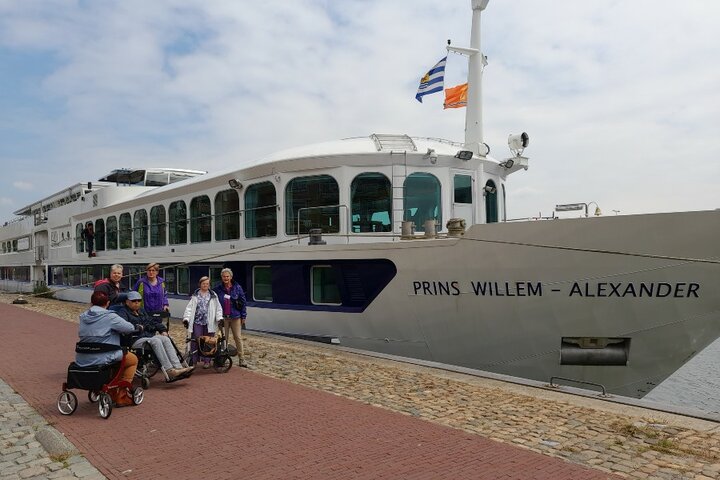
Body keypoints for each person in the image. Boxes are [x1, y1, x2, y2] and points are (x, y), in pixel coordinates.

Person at [75, 291, 138, 407]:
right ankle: (121, 395)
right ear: (108, 303)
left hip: (83, 358)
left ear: (91, 303)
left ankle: (110, 389)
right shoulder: (110, 317)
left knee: (116, 359)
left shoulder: (83, 317)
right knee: (132, 360)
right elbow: (129, 328)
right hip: (103, 357)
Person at [116, 291, 193, 381]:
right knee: (156, 341)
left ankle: (178, 368)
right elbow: (124, 327)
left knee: (165, 338)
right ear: (127, 302)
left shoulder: (141, 311)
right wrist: (137, 327)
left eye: (138, 300)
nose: (137, 303)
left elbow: (151, 322)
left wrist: (162, 330)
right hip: (134, 339)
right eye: (134, 301)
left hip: (147, 337)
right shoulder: (122, 312)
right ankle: (169, 370)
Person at [183, 276, 223, 368]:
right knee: (196, 340)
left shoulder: (213, 295)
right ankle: (194, 360)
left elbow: (218, 309)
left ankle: (207, 361)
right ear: (200, 284)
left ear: (209, 285)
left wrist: (219, 318)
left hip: (209, 322)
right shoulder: (195, 295)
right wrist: (186, 319)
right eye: (203, 283)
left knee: (209, 342)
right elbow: (189, 309)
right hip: (197, 321)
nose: (205, 285)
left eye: (207, 284)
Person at [213, 268, 248, 368]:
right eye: (224, 276)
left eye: (227, 276)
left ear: (231, 277)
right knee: (224, 339)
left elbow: (243, 302)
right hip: (223, 318)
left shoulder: (237, 287)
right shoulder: (218, 288)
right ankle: (223, 358)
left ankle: (242, 358)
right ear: (221, 277)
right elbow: (211, 297)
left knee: (238, 337)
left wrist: (243, 315)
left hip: (235, 316)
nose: (226, 278)